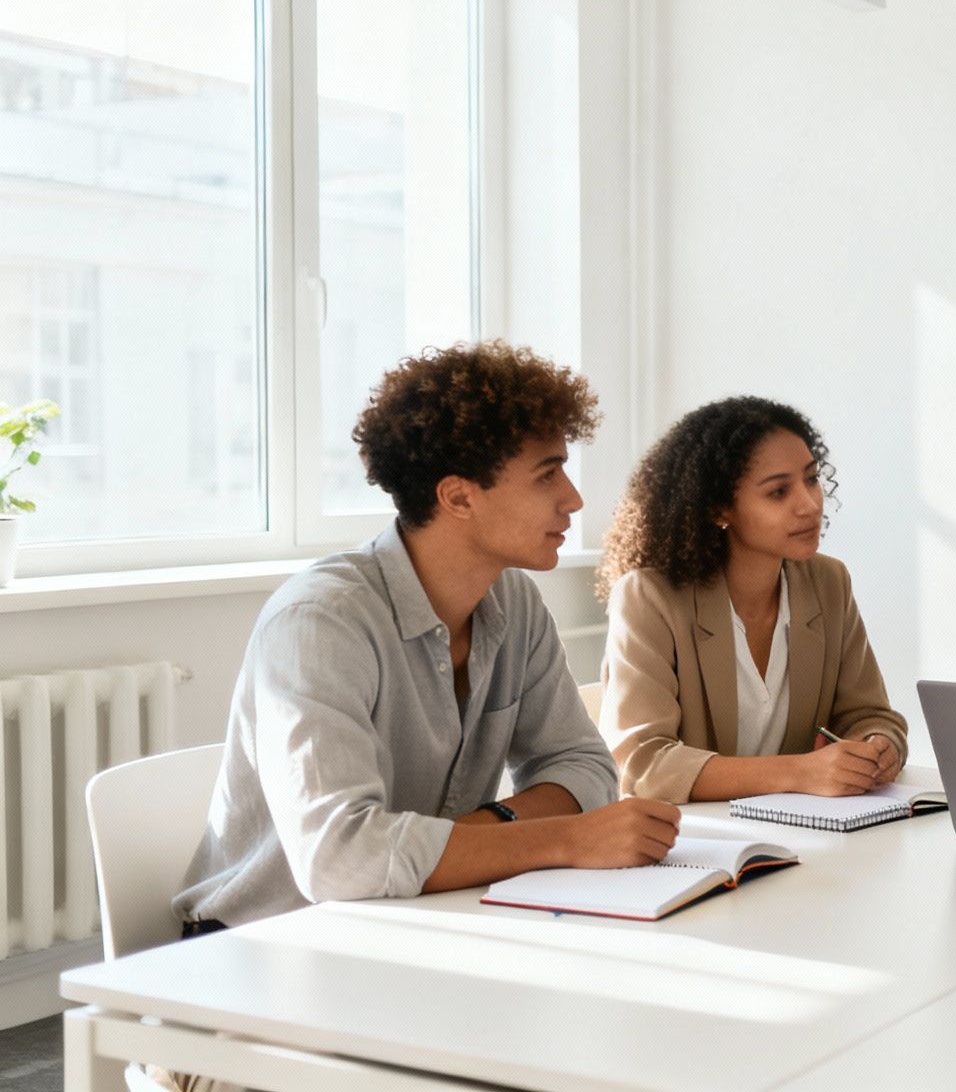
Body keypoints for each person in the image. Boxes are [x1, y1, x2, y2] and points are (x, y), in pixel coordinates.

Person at [175, 342, 680, 934]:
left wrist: (474, 834)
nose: (573, 498)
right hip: (263, 941)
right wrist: (564, 837)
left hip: (410, 917)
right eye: (547, 474)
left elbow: (585, 768)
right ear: (458, 496)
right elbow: (339, 860)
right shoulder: (320, 621)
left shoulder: (514, 602)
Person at [597, 397, 907, 802]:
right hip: (699, 844)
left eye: (811, 479)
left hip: (807, 836)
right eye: (779, 492)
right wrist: (799, 772)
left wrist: (879, 746)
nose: (810, 504)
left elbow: (869, 715)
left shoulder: (829, 582)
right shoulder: (650, 597)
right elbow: (643, 764)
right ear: (719, 508)